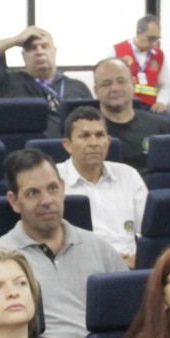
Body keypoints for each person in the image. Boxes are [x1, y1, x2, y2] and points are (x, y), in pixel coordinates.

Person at [0, 148, 127, 338]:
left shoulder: (100, 248)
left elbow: (133, 313)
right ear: (15, 202)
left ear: (62, 188)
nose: (47, 201)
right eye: (33, 193)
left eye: (52, 188)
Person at [0, 25, 93, 138]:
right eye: (32, 48)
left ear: (55, 51)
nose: (39, 52)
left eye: (45, 46)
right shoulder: (5, 81)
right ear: (23, 55)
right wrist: (16, 40)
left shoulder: (78, 87)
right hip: (24, 159)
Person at [56, 106, 147, 266]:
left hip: (131, 267)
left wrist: (139, 259)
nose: (94, 143)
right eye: (84, 136)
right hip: (79, 268)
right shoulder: (54, 180)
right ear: (67, 145)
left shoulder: (128, 175)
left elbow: (147, 231)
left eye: (99, 135)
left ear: (108, 141)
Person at [91, 58, 170, 176]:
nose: (114, 88)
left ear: (133, 84)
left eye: (121, 81)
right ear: (96, 90)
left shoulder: (160, 126)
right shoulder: (88, 132)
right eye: (106, 84)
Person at [111, 14, 170, 113]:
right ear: (138, 32)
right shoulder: (117, 51)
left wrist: (162, 102)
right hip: (126, 106)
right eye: (151, 38)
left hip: (151, 107)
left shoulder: (159, 55)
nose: (154, 43)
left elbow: (166, 85)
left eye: (157, 39)